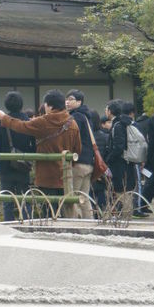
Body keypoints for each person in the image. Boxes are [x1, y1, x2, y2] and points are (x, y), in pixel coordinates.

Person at [0, 89, 82, 212]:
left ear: (50, 106)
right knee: (65, 209)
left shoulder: (44, 122)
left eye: (45, 104)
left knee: (48, 210)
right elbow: (78, 150)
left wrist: (4, 118)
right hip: (65, 175)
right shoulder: (73, 124)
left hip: (46, 176)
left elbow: (21, 126)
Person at [0, 91, 35, 221]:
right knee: (25, 199)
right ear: (21, 104)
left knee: (7, 201)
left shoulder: (2, 122)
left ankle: (8, 227)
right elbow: (34, 146)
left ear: (6, 105)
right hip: (24, 166)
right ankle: (27, 224)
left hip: (6, 166)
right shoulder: (27, 121)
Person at [103, 100, 137, 216]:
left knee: (121, 193)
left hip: (119, 165)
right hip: (128, 163)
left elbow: (119, 147)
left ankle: (126, 218)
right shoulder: (126, 123)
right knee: (125, 192)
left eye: (106, 109)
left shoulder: (118, 125)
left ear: (110, 111)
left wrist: (108, 159)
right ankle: (126, 217)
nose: (105, 111)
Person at [65, 89, 95, 219]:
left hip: (78, 162)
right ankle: (91, 224)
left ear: (79, 101)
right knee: (84, 198)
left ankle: (73, 224)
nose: (67, 102)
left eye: (71, 99)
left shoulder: (76, 117)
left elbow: (72, 139)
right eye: (66, 99)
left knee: (73, 198)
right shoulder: (86, 116)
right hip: (89, 163)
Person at [140, 92, 154, 217]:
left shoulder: (153, 120)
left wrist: (148, 159)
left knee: (151, 181)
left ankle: (141, 204)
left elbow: (151, 142)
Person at [90, 110, 110, 216]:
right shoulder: (104, 136)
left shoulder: (87, 137)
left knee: (90, 194)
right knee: (101, 193)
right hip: (101, 169)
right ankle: (102, 214)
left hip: (90, 168)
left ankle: (92, 215)